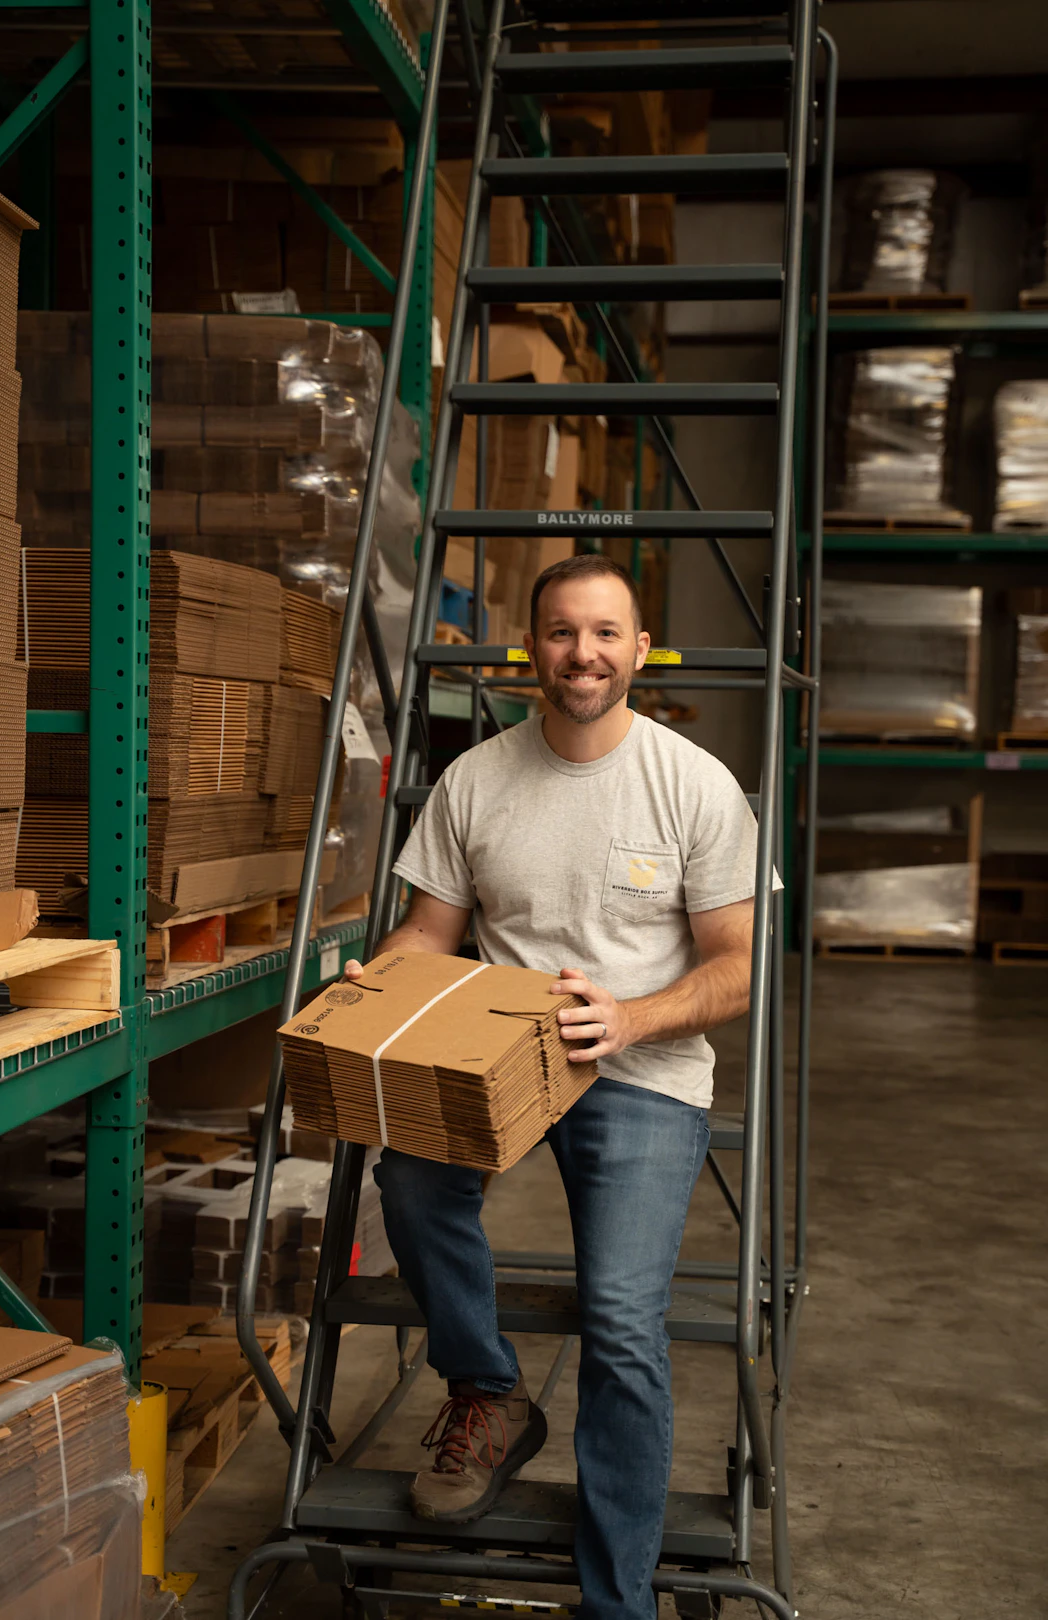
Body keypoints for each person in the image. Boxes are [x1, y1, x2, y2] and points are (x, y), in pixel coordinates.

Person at [343, 554, 767, 1620]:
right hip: (505, 1061)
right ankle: (488, 1388)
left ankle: (615, 1599)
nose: (585, 654)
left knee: (623, 1321)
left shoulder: (695, 784)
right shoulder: (476, 779)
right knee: (410, 1178)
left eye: (607, 634)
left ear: (640, 646)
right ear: (530, 645)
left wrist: (629, 1016)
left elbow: (736, 967)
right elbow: (428, 938)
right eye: (564, 633)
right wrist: (370, 989)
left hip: (645, 1074)